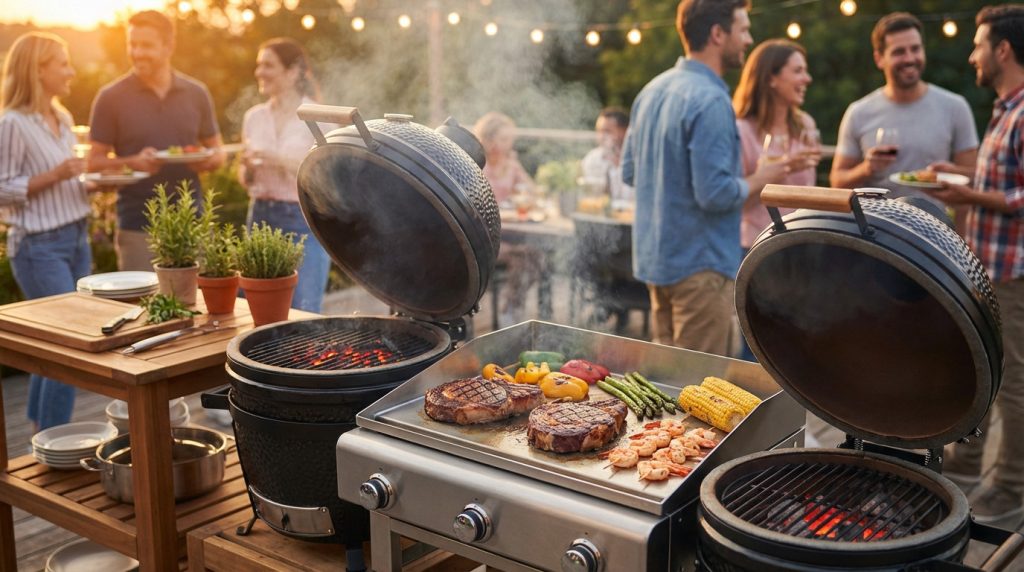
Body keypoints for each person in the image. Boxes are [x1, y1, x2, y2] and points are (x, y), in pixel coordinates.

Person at [621, 0, 785, 353]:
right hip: (700, 268)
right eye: (742, 29)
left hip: (655, 261)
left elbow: (630, 173)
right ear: (717, 34)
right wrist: (763, 178)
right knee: (700, 388)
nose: (748, 39)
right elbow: (716, 195)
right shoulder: (710, 100)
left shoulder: (651, 90)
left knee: (668, 381)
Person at [923, 4, 1024, 525]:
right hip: (988, 266)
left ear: (1002, 49)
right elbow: (999, 187)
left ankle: (1009, 488)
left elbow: (1018, 196)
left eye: (979, 44)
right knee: (981, 366)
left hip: (1014, 273)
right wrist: (958, 182)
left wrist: (968, 195)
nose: (972, 54)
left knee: (1013, 381)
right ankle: (965, 460)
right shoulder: (1004, 108)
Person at [0, 33, 91, 430]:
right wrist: (55, 175)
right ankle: (54, 441)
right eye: (63, 64)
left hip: (77, 238)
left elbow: (67, 178)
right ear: (38, 70)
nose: (70, 72)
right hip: (39, 248)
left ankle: (43, 439)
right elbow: (2, 186)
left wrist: (88, 183)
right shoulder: (12, 124)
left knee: (54, 348)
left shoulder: (64, 117)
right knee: (67, 347)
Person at [88, 10, 225, 271]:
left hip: (191, 221)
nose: (137, 53)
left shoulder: (196, 93)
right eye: (133, 44)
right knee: (143, 307)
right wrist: (134, 162)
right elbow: (93, 163)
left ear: (169, 46)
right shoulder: (110, 97)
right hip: (138, 225)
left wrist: (205, 161)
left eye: (146, 45)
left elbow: (218, 152)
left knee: (199, 306)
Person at [830, 12, 978, 206]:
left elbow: (975, 179)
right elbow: (836, 183)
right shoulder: (858, 112)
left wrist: (951, 173)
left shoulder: (955, 106)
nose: (909, 58)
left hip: (935, 230)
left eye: (915, 49)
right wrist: (867, 168)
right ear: (879, 59)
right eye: (899, 52)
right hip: (875, 230)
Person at [732, 38, 818, 360]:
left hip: (801, 246)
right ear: (771, 77)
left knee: (797, 345)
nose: (807, 79)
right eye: (798, 71)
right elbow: (734, 201)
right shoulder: (740, 131)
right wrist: (780, 170)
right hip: (756, 248)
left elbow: (809, 194)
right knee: (756, 347)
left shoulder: (804, 125)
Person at [238, 38, 331, 313]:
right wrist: (249, 168)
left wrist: (277, 159)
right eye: (258, 65)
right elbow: (245, 180)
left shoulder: (317, 116)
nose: (259, 72)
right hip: (259, 219)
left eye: (268, 65)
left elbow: (324, 180)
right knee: (252, 313)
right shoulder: (253, 117)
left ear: (292, 72)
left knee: (302, 312)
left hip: (302, 221)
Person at [473, 112, 539, 327]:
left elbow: (531, 192)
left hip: (508, 234)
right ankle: (509, 311)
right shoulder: (477, 165)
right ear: (489, 139)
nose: (509, 144)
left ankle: (511, 307)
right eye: (503, 139)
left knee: (534, 256)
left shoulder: (511, 164)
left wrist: (516, 166)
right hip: (484, 239)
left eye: (510, 139)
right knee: (525, 255)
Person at [580, 107, 634, 209]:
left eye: (607, 131)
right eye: (598, 131)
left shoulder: (638, 161)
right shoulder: (592, 160)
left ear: (625, 131)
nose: (601, 136)